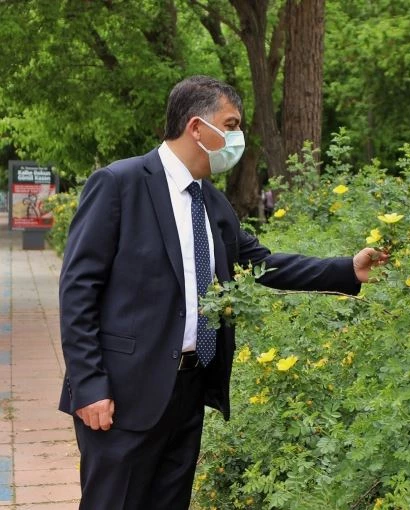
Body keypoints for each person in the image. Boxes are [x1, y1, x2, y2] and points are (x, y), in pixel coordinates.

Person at [58, 75, 388, 510]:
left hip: (189, 389)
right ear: (197, 127)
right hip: (123, 394)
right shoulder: (120, 184)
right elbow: (78, 289)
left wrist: (347, 270)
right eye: (231, 124)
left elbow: (262, 263)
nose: (237, 137)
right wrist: (88, 384)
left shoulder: (211, 202)